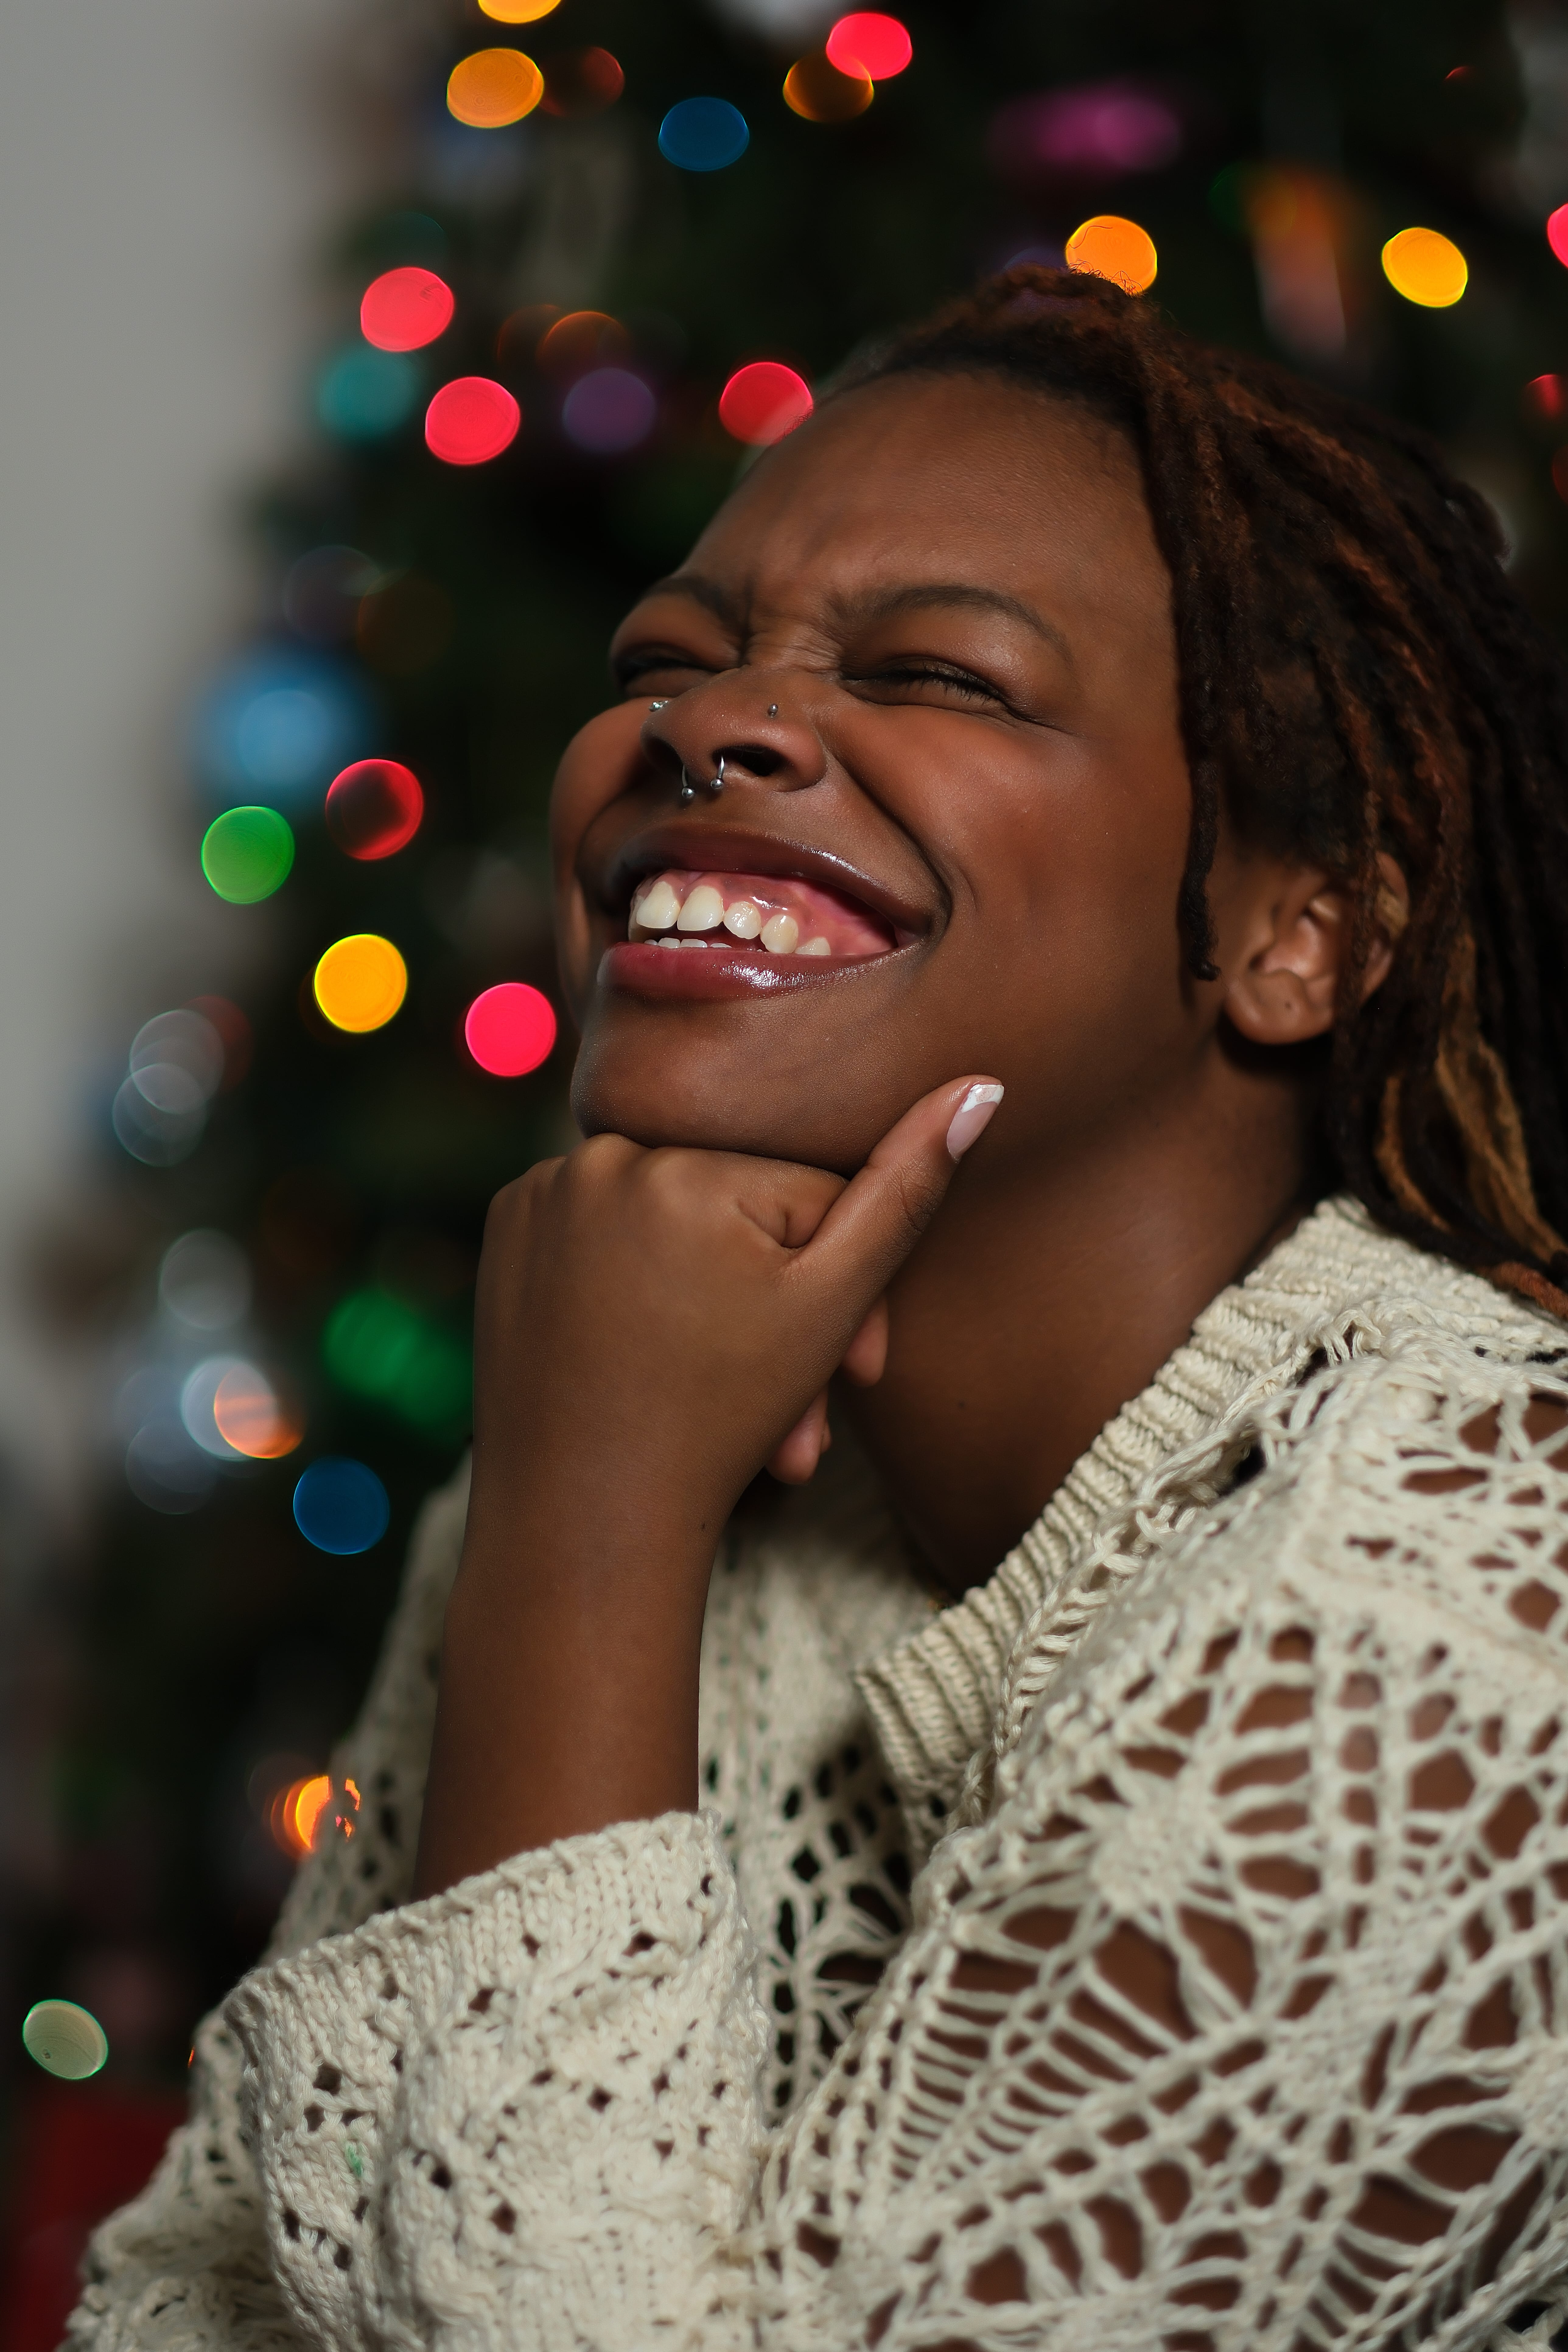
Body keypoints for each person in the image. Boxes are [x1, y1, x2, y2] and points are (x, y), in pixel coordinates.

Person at [71, 265, 1568, 2352]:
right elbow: (209, 2278)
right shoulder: (623, 1409)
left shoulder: (1459, 1636)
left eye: (941, 674)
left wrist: (586, 1539)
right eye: (665, 660)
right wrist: (586, 1512)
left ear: (1298, 928)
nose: (704, 724)